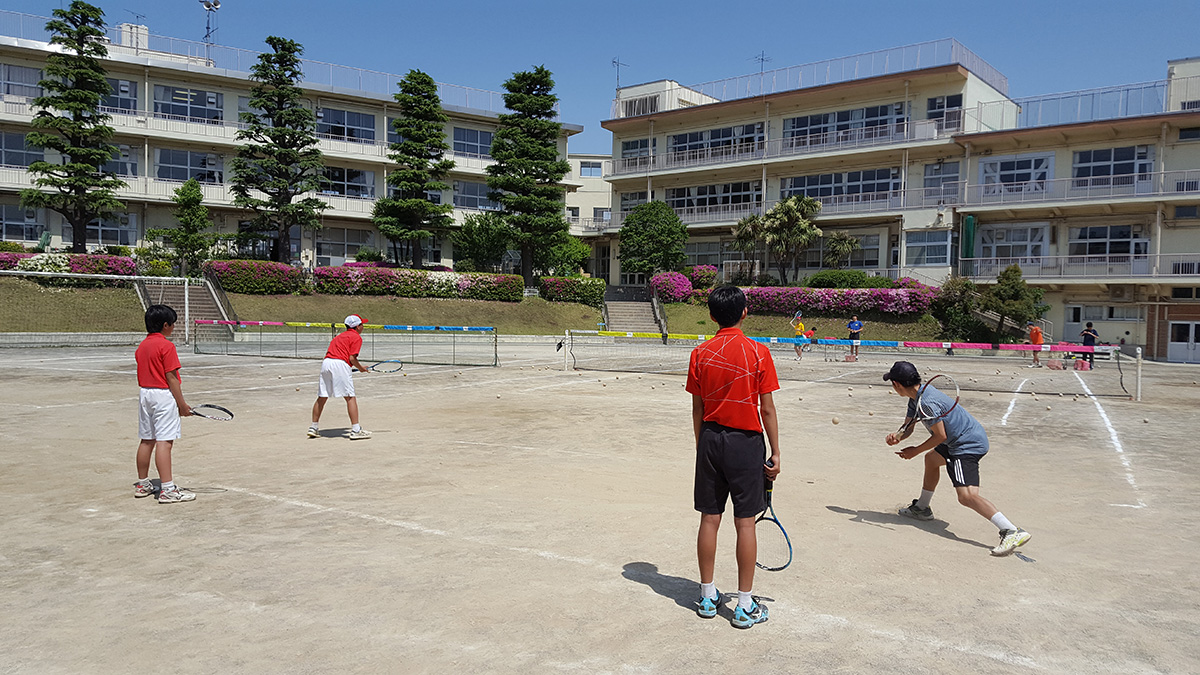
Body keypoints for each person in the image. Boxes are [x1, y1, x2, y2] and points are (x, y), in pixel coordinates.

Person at [686, 285, 781, 629]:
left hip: (711, 440)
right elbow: (767, 410)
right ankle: (743, 606)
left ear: (711, 315)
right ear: (744, 312)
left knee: (709, 519)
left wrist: (702, 445)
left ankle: (708, 596)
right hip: (746, 443)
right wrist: (776, 453)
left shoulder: (700, 353)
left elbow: (697, 408)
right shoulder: (758, 352)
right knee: (745, 522)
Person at [883, 361, 1031, 557]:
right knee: (932, 459)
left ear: (896, 384)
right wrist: (898, 436)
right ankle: (922, 508)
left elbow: (940, 436)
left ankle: (1011, 530)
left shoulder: (927, 402)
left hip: (966, 444)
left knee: (967, 496)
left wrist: (914, 451)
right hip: (962, 438)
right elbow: (909, 426)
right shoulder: (917, 397)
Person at [133, 305, 195, 504]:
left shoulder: (142, 346)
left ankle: (143, 484)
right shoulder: (167, 346)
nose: (174, 327)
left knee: (147, 439)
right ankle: (168, 490)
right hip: (162, 396)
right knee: (165, 442)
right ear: (165, 325)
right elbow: (172, 378)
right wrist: (182, 405)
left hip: (145, 395)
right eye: (173, 323)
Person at [308, 314, 372, 440]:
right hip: (339, 364)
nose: (363, 326)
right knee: (350, 397)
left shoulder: (339, 337)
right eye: (362, 324)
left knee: (322, 396)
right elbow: (352, 358)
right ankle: (356, 430)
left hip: (326, 363)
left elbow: (341, 356)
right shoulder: (356, 337)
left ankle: (313, 427)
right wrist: (361, 368)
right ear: (357, 326)